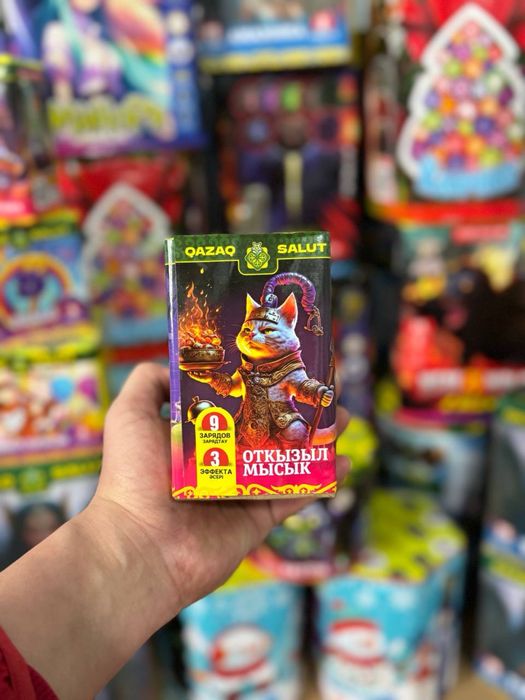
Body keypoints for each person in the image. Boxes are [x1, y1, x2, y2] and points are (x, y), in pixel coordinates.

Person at [0, 363, 350, 699]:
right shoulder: (247, 368)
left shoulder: (289, 365)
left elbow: (301, 384)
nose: (254, 334)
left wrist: (129, 535)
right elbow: (232, 387)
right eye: (251, 330)